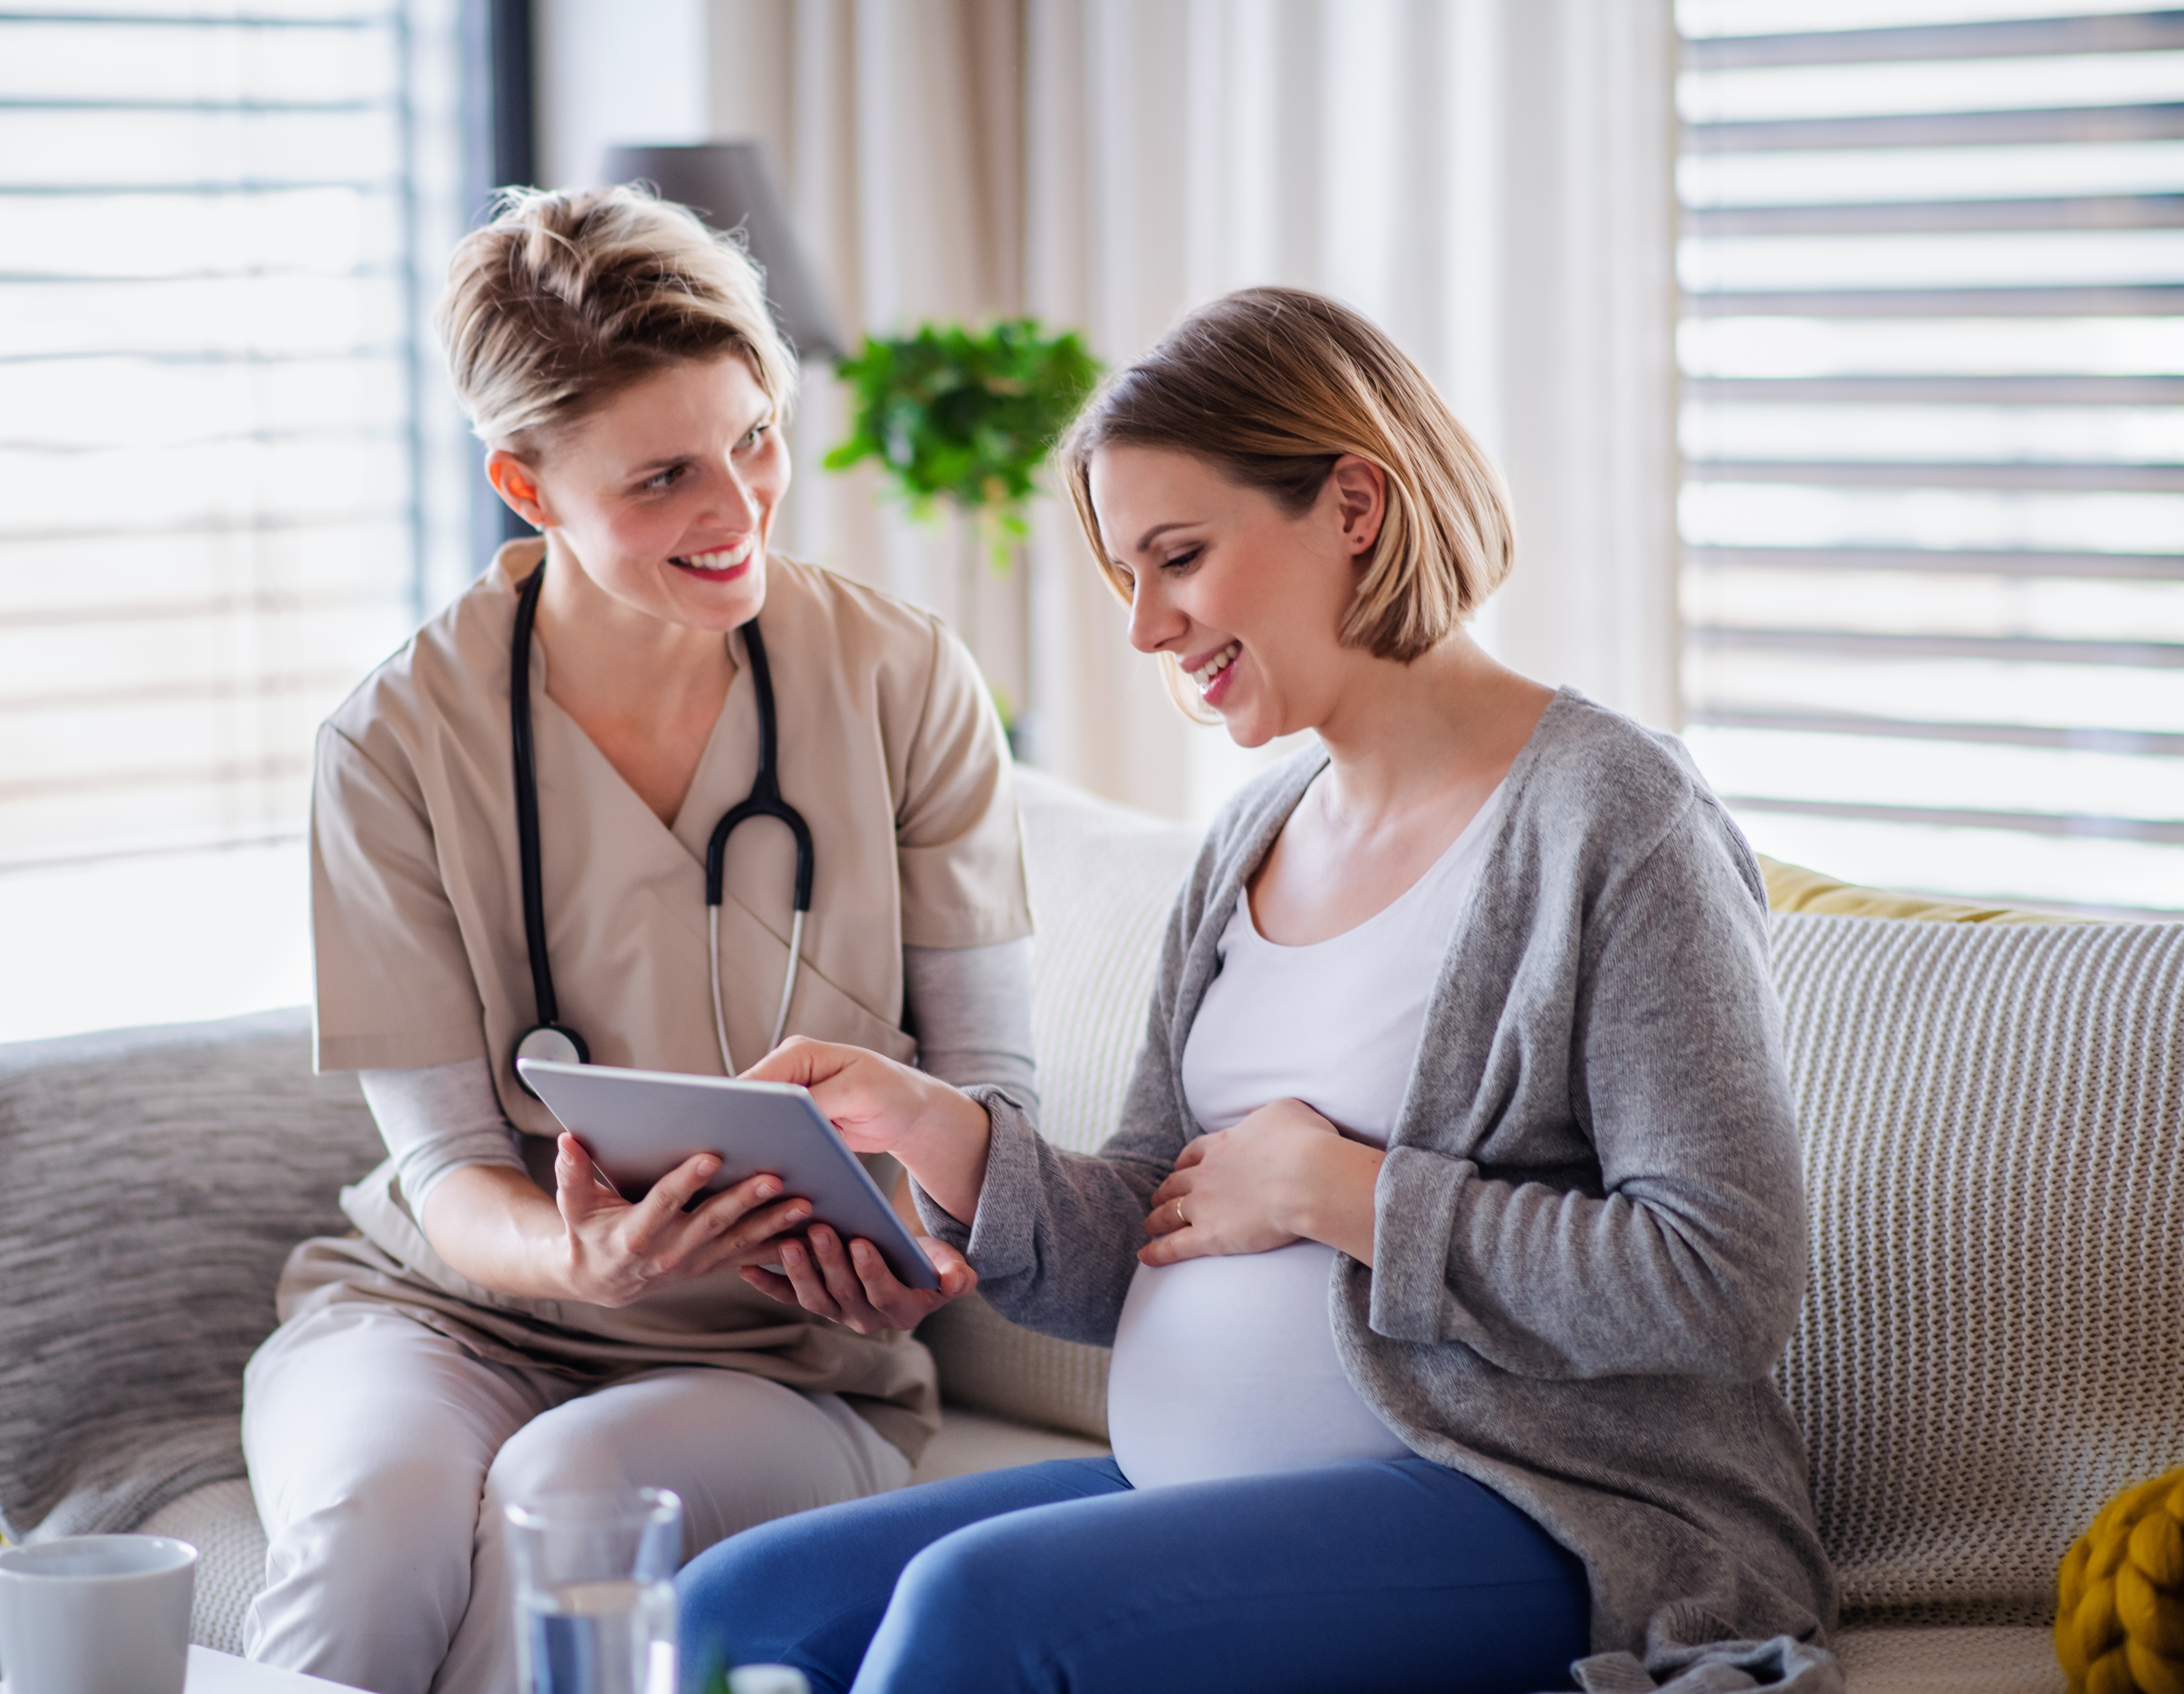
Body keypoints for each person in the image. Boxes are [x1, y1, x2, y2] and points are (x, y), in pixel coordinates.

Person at [681, 286, 1838, 1694]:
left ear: (1354, 504)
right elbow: (1150, 1234)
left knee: (986, 1609)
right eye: (1127, 577)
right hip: (1189, 1489)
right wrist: (942, 1136)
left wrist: (1337, 1193)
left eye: (1179, 558)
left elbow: (1719, 1285)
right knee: (727, 1612)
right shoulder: (1256, 833)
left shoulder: (1612, 818)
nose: (1148, 629)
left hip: (1533, 1505)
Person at [240, 184, 1037, 1694]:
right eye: (663, 476)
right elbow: (448, 1169)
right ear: (529, 492)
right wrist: (579, 1258)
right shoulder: (397, 744)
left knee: (574, 1506)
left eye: (753, 439)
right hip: (440, 1315)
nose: (735, 509)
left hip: (778, 1361)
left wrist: (934, 1242)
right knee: (371, 1529)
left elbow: (993, 1102)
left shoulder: (901, 680)